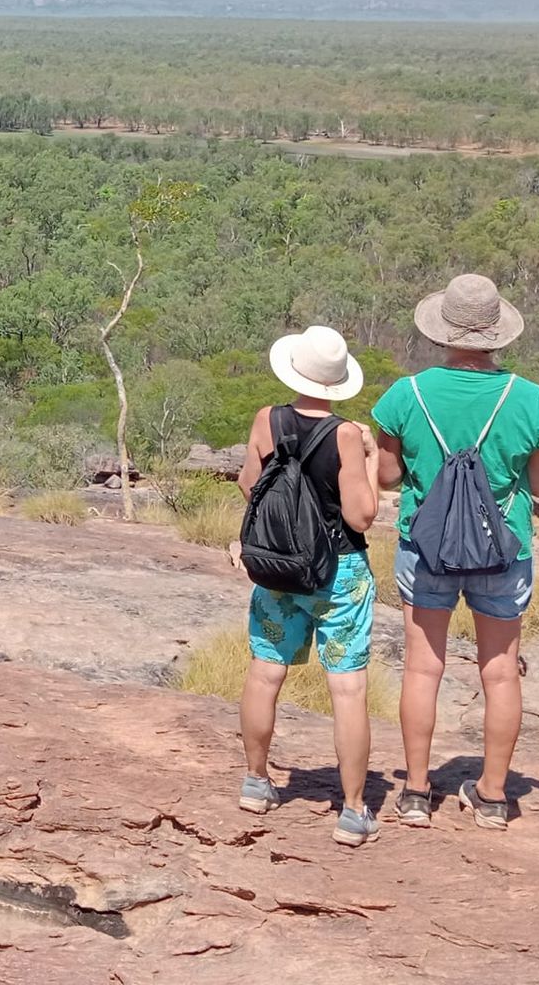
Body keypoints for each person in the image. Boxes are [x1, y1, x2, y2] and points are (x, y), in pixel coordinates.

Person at [371, 273, 539, 831]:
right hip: (504, 551)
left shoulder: (405, 395)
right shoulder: (526, 397)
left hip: (424, 548)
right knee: (500, 673)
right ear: (497, 334)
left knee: (422, 668)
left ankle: (414, 792)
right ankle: (494, 797)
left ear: (442, 332)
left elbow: (385, 477)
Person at [230, 324, 383, 847]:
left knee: (265, 673)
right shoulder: (343, 434)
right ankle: (354, 811)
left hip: (277, 569)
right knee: (347, 687)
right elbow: (363, 516)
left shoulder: (265, 419)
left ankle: (256, 782)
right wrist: (369, 456)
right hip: (338, 572)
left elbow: (251, 485)